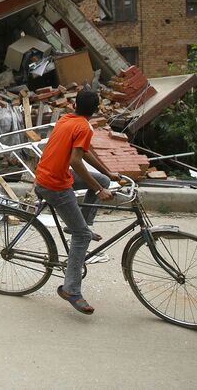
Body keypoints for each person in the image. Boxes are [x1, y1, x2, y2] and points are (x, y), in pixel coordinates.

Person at [33, 88, 120, 315]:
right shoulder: (83, 126)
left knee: (101, 181)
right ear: (96, 110)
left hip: (47, 177)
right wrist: (99, 189)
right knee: (81, 236)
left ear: (75, 106)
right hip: (55, 186)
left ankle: (83, 225)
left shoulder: (67, 119)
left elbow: (85, 153)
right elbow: (76, 161)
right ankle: (70, 289)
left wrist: (107, 175)